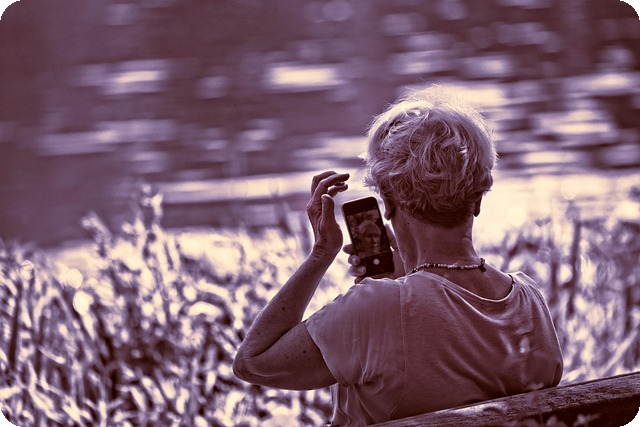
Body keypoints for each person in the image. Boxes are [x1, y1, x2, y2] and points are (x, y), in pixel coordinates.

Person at [233, 85, 563, 426]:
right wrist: (408, 278)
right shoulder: (530, 304)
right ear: (477, 199)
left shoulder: (378, 309)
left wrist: (321, 254)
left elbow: (253, 362)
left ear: (388, 203)